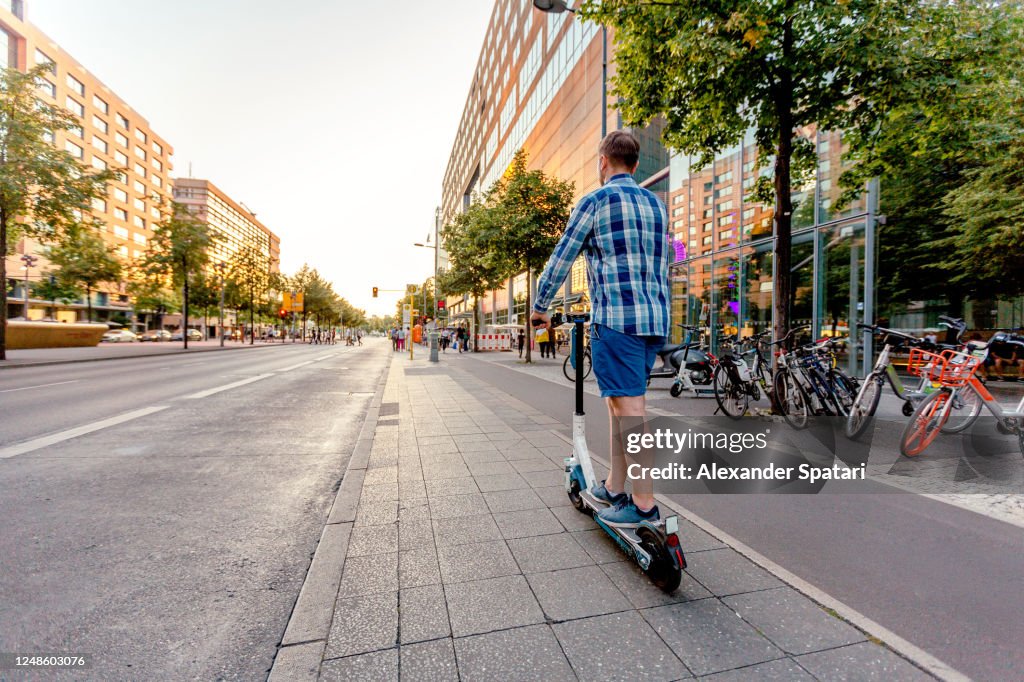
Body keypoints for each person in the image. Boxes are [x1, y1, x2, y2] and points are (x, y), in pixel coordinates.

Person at [531, 130, 670, 528]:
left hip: (618, 320)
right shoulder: (656, 206)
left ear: (603, 162)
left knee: (631, 410)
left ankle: (644, 507)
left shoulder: (596, 200)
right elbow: (666, 263)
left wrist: (541, 307)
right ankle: (614, 485)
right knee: (620, 404)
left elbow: (562, 257)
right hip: (652, 320)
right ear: (636, 163)